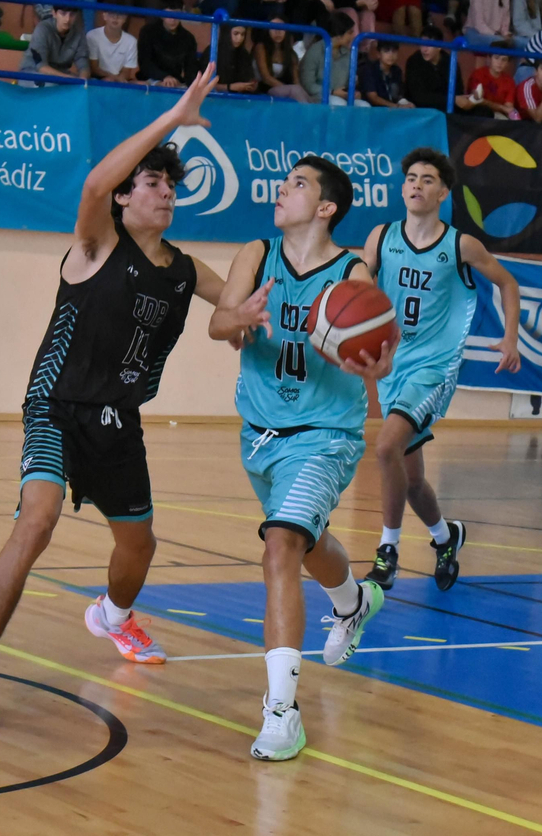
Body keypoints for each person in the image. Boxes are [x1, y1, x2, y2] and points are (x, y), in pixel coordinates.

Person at [0, 68, 228, 731]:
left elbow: (236, 305)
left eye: (169, 186)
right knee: (36, 522)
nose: (164, 193)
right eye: (153, 184)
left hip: (118, 421)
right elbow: (97, 183)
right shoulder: (99, 242)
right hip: (57, 407)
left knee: (140, 547)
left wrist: (269, 313)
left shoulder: (184, 270)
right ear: (127, 200)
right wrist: (174, 117)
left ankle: (113, 618)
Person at [207, 157, 394, 762]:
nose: (282, 190)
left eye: (297, 184)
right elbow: (218, 323)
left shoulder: (353, 270)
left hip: (325, 433)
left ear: (326, 207)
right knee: (307, 543)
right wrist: (240, 317)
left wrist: (375, 361)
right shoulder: (255, 254)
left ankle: (282, 713)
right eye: (285, 181)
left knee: (281, 543)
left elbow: (380, 348)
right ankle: (355, 601)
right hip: (259, 434)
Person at [362, 150, 522, 590]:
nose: (416, 185)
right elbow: (357, 291)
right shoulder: (381, 237)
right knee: (412, 481)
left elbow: (508, 282)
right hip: (392, 367)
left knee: (384, 447)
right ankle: (445, 537)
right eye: (410, 177)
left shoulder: (460, 245)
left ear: (443, 193)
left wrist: (510, 337)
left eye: (427, 179)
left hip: (435, 367)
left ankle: (387, 551)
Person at [139, 0, 206, 87]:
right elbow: (145, 63)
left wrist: (193, 85)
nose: (173, 19)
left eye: (177, 14)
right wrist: (164, 77)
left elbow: (190, 68)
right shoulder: (148, 32)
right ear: (161, 14)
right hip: (150, 79)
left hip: (175, 81)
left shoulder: (188, 38)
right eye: (168, 14)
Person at [21, 0, 90, 80]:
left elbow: (83, 62)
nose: (67, 19)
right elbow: (40, 66)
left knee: (94, 86)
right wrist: (68, 79)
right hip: (33, 73)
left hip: (61, 74)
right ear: (54, 13)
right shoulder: (42, 28)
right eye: (63, 14)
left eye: (72, 14)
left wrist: (83, 80)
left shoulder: (79, 33)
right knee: (50, 86)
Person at [252, 20, 310, 102]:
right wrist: (286, 88)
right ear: (268, 30)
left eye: (281, 28)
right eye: (273, 28)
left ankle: (313, 109)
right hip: (266, 88)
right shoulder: (261, 47)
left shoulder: (290, 53)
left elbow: (296, 81)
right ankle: (309, 113)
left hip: (286, 88)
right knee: (294, 90)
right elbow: (266, 78)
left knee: (301, 92)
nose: (278, 32)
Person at [458, 48, 519, 117]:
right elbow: (477, 99)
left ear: (507, 63)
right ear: (489, 58)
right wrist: (501, 107)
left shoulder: (509, 81)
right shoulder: (478, 74)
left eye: (504, 60)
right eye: (496, 58)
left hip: (498, 115)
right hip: (478, 112)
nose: (500, 62)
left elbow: (508, 108)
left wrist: (504, 110)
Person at [87, 10, 141, 82]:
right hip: (98, 78)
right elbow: (94, 68)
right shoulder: (92, 35)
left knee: (140, 84)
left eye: (120, 14)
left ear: (125, 18)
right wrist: (111, 77)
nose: (115, 18)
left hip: (119, 79)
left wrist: (119, 79)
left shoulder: (131, 41)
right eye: (111, 13)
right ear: (104, 15)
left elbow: (126, 72)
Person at [406, 26, 453, 109]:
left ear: (439, 46)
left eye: (429, 45)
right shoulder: (413, 61)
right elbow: (418, 97)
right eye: (422, 44)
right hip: (420, 111)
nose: (424, 49)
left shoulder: (450, 61)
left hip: (446, 110)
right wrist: (451, 100)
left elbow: (458, 91)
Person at [359, 40, 414, 107]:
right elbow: (373, 98)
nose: (391, 55)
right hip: (373, 109)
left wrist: (406, 103)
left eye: (394, 51)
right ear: (378, 54)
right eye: (386, 51)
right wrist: (396, 106)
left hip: (392, 107)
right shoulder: (369, 70)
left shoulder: (397, 70)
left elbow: (398, 95)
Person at [215, 24, 261, 93]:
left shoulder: (244, 54)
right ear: (227, 33)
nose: (239, 38)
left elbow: (248, 78)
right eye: (236, 34)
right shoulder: (213, 52)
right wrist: (230, 87)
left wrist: (251, 85)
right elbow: (206, 85)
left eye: (242, 34)